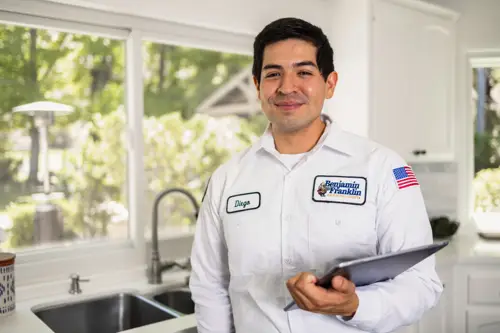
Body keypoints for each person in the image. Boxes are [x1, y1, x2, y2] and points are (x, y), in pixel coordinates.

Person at [189, 17, 443, 333]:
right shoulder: (227, 180)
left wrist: (355, 306)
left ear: (330, 83)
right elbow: (210, 287)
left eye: (304, 72)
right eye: (273, 74)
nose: (286, 87)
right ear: (257, 85)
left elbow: (421, 284)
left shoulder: (383, 168)